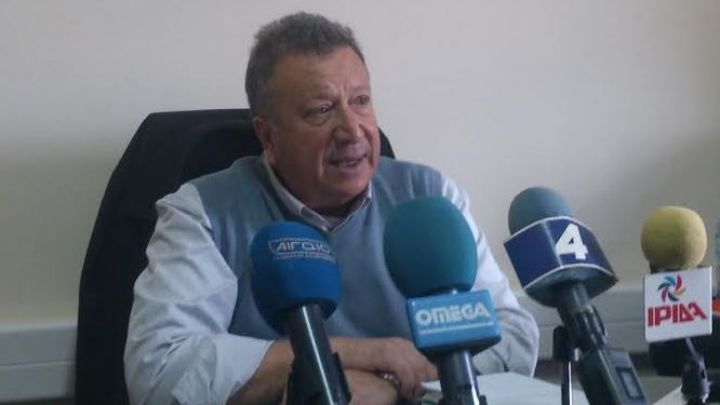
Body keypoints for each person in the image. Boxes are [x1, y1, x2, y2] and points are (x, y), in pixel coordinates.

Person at [124, 12, 539, 405]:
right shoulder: (204, 213)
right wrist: (348, 359)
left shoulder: (430, 198)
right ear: (267, 136)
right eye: (322, 110)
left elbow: (514, 338)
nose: (352, 130)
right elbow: (158, 372)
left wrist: (396, 383)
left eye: (361, 100)